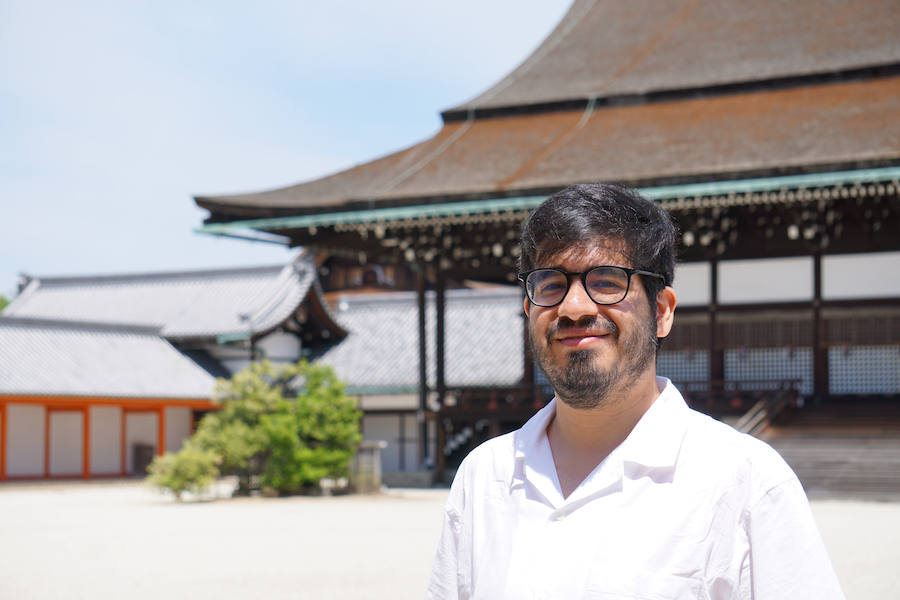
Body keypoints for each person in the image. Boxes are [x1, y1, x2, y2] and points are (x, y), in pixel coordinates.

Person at [426, 183, 844, 600]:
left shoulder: (747, 483)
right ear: (528, 310)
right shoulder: (484, 477)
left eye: (607, 281)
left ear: (661, 312)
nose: (574, 308)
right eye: (550, 284)